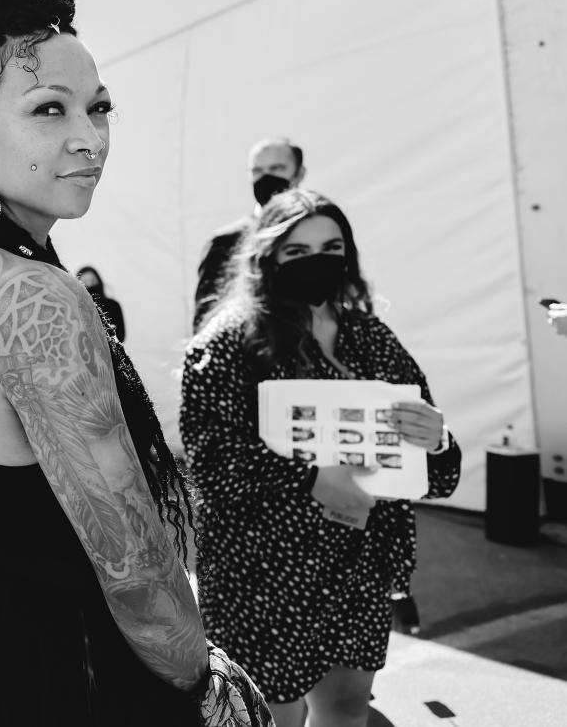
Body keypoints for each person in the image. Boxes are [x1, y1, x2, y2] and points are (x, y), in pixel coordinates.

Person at [0, 0, 270, 726]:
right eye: (48, 109)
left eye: (98, 107)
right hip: (75, 668)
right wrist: (203, 682)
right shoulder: (29, 294)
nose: (89, 137)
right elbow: (129, 560)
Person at [181, 189, 461, 727]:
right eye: (297, 251)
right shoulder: (228, 345)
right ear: (266, 261)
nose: (318, 262)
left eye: (331, 247)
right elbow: (213, 464)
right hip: (263, 572)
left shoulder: (372, 339)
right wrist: (311, 478)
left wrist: (438, 442)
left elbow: (434, 474)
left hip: (358, 568)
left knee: (347, 706)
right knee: (271, 715)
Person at [193, 137, 306, 331]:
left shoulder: (318, 233)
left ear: (299, 173)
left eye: (277, 169)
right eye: (257, 171)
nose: (266, 178)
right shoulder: (226, 241)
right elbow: (206, 316)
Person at [76, 265, 126, 342]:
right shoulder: (74, 308)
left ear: (99, 281)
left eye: (93, 281)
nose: (90, 285)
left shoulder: (113, 305)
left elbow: (120, 336)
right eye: (84, 283)